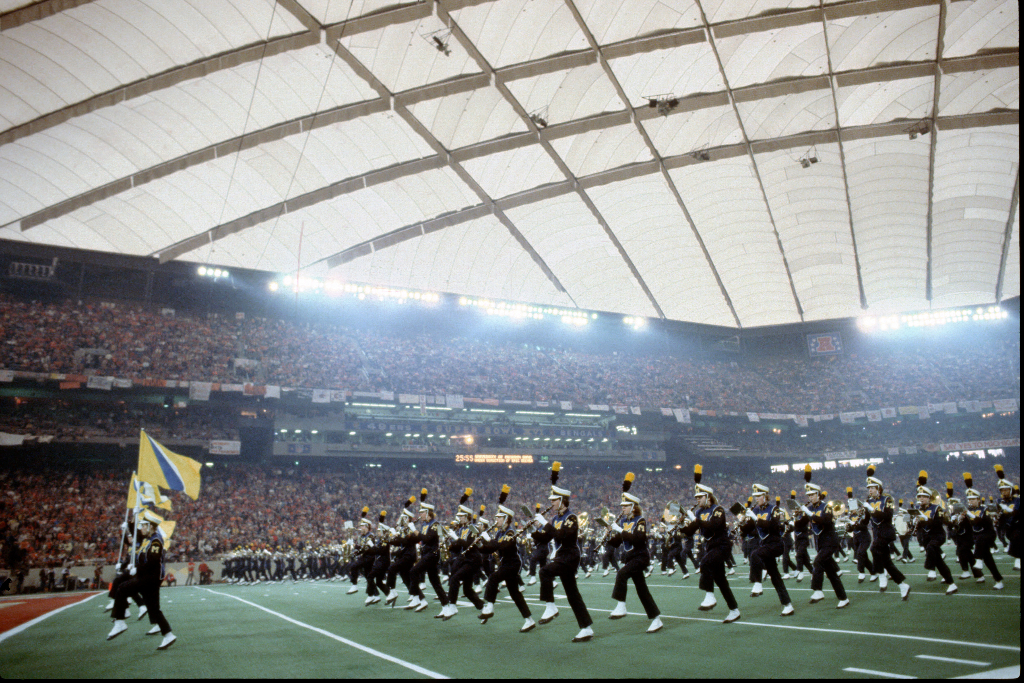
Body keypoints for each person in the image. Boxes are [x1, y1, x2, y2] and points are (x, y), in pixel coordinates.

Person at [533, 463, 595, 643]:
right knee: (572, 594)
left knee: (544, 571)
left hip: (570, 556)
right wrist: (536, 530)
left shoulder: (571, 517)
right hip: (562, 557)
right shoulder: (555, 518)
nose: (551, 503)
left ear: (562, 500)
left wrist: (545, 524)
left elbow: (563, 536)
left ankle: (551, 606)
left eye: (554, 500)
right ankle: (586, 628)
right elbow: (548, 537)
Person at [106, 511, 176, 650]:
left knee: (122, 588)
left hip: (150, 577)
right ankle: (168, 634)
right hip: (147, 576)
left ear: (150, 527)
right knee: (154, 609)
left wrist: (137, 569)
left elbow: (153, 561)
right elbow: (135, 539)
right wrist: (129, 525)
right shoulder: (147, 540)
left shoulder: (156, 540)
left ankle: (120, 621)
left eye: (144, 526)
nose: (141, 528)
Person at [680, 465, 740, 624]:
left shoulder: (718, 509)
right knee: (721, 580)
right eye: (696, 498)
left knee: (704, 562)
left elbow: (713, 526)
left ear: (708, 497)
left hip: (722, 545)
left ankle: (709, 595)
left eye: (699, 497)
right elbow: (689, 532)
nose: (697, 500)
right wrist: (680, 526)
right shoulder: (699, 513)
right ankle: (734, 610)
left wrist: (696, 520)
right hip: (712, 547)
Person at [606, 473, 663, 633]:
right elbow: (618, 542)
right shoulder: (624, 522)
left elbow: (638, 539)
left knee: (622, 574)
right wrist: (609, 533)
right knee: (642, 590)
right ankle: (656, 619)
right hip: (631, 558)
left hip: (641, 557)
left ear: (633, 506)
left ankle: (621, 605)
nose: (622, 508)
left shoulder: (640, 521)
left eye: (625, 506)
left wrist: (620, 530)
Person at [478, 489, 535, 633]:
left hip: (513, 563)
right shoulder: (499, 532)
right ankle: (529, 620)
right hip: (506, 564)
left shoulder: (510, 532)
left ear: (506, 519)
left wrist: (489, 540)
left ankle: (489, 606)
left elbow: (502, 545)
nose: (495, 520)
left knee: (493, 578)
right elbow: (490, 549)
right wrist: (479, 545)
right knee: (515, 594)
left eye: (498, 518)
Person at [799, 469, 849, 609]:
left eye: (813, 494)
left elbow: (825, 521)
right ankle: (843, 598)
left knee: (817, 561)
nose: (810, 497)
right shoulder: (810, 508)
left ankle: (818, 590)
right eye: (808, 495)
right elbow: (800, 525)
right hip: (820, 543)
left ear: (818, 494)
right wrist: (800, 514)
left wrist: (809, 513)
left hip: (830, 541)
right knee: (832, 573)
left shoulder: (826, 507)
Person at [746, 484, 795, 616]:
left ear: (766, 496)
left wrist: (756, 518)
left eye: (759, 496)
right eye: (755, 496)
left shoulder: (775, 509)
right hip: (765, 545)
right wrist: (744, 522)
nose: (757, 499)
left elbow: (773, 526)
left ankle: (757, 583)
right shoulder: (755, 510)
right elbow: (749, 530)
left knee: (755, 554)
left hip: (776, 544)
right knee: (775, 576)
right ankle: (787, 605)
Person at [864, 467, 911, 600]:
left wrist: (872, 510)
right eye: (868, 488)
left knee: (873, 548)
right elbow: (866, 521)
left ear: (878, 488)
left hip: (887, 533)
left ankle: (881, 574)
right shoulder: (869, 502)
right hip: (878, 535)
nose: (870, 490)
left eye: (872, 488)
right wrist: (854, 523)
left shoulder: (887, 499)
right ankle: (902, 585)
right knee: (887, 562)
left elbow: (888, 515)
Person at [405, 490, 450, 614]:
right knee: (435, 582)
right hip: (427, 554)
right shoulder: (424, 524)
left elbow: (426, 538)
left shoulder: (435, 524)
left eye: (421, 512)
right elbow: (418, 538)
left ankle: (417, 598)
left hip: (432, 554)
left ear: (427, 513)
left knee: (413, 571)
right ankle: (446, 606)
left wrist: (414, 530)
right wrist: (408, 534)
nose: (419, 514)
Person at [913, 474, 957, 595]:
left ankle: (928, 565)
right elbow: (917, 528)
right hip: (927, 538)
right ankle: (951, 583)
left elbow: (938, 523)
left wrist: (924, 519)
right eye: (919, 496)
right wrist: (913, 522)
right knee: (939, 562)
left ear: (929, 498)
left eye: (924, 496)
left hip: (938, 536)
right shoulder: (918, 510)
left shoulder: (937, 508)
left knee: (931, 548)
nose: (921, 498)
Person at [964, 482, 1003, 590]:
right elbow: (967, 526)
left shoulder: (985, 509)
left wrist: (970, 515)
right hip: (978, 538)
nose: (971, 501)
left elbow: (984, 522)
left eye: (973, 499)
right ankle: (998, 580)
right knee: (988, 560)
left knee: (981, 543)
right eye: (969, 499)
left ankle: (978, 559)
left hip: (988, 534)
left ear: (978, 500)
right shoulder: (968, 511)